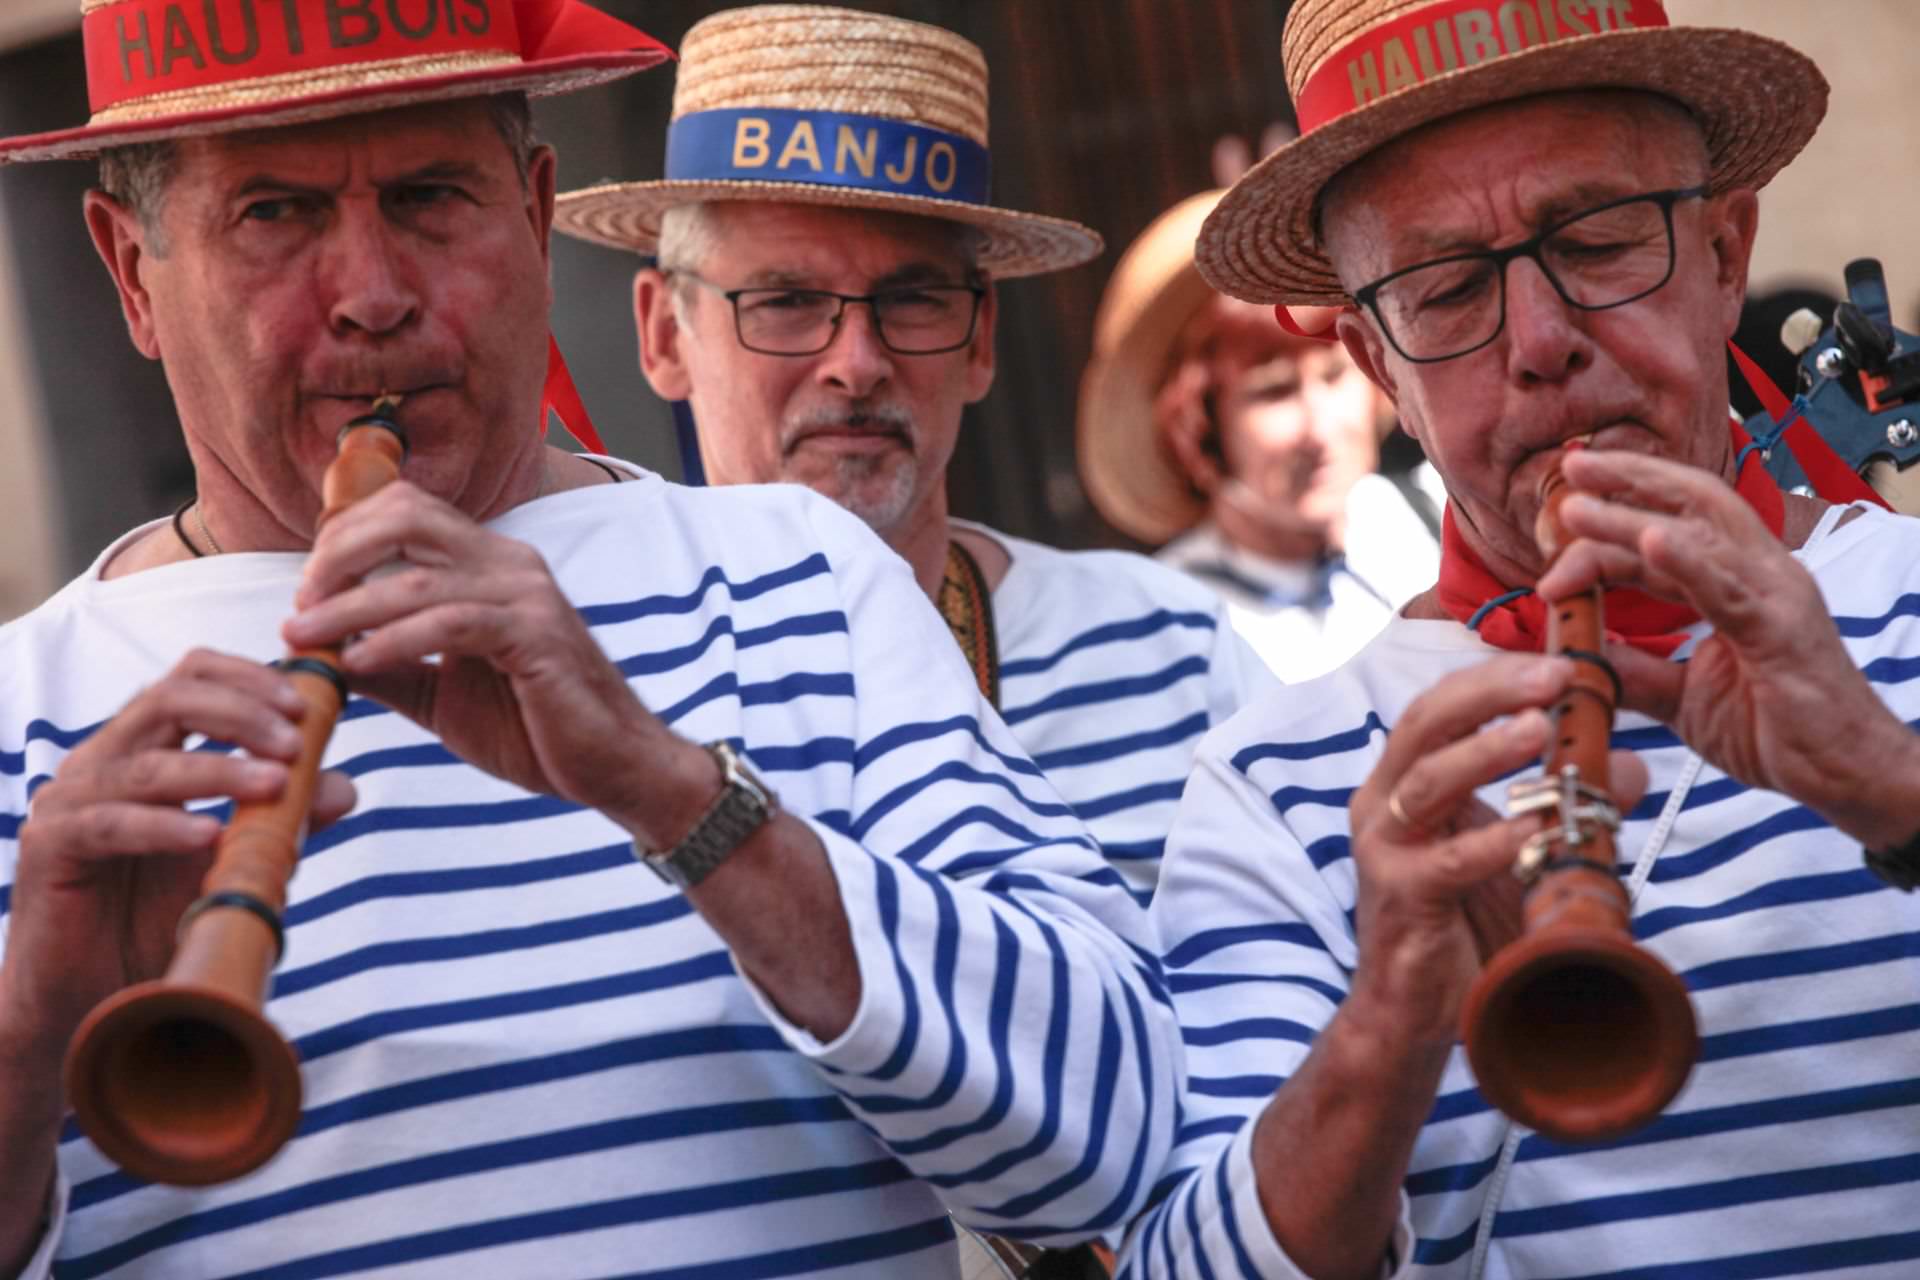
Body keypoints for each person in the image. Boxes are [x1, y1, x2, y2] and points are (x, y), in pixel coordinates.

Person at [0, 5, 1182, 1277]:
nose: (374, 296)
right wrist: (27, 1035)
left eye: (431, 195)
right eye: (274, 213)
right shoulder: (26, 714)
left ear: (534, 206)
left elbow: (1118, 1136)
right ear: (131, 270)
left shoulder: (800, 573)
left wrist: (673, 791)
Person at [1118, 1, 1920, 1276]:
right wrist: (1389, 1025)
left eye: (1599, 244)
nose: (1544, 344)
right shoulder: (1274, 785)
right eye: (1446, 292)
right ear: (1378, 365)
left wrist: (1897, 789)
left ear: (1726, 251)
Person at [552, 4, 1275, 914]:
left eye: (915, 300)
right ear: (664, 333)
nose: (856, 363)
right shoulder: (571, 697)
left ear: (982, 344)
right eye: (785, 301)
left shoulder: (1169, 656)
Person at [1079, 188, 1440, 681]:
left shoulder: (1443, 515)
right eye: (1274, 393)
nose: (1320, 428)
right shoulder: (1165, 624)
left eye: (1335, 375)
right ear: (1198, 424)